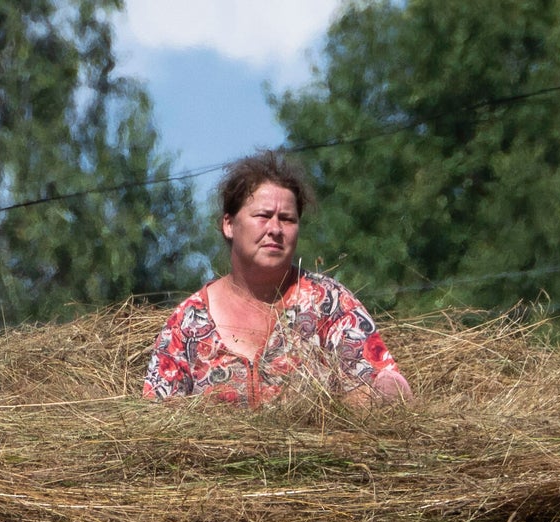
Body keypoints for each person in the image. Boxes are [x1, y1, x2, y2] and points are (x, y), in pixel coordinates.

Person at [143, 151, 410, 406]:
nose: (275, 229)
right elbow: (157, 418)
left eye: (287, 219)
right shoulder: (186, 325)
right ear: (228, 224)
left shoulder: (330, 305)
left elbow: (388, 389)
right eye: (262, 216)